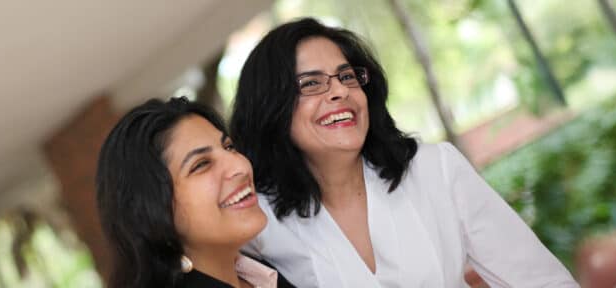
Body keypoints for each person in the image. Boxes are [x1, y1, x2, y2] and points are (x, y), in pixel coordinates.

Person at [229, 17, 577, 287]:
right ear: (271, 107)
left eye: (347, 76)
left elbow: (540, 280)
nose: (340, 91)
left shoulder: (435, 168)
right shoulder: (259, 224)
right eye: (311, 83)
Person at [96, 97, 295, 288]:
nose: (240, 166)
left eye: (229, 147)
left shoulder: (263, 274)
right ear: (151, 208)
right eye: (201, 164)